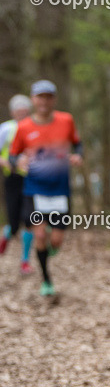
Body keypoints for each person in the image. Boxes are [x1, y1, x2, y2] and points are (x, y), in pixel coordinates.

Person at [10, 81, 83, 297]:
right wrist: (17, 163)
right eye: (40, 97)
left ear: (54, 99)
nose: (44, 101)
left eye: (48, 97)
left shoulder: (66, 120)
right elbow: (13, 155)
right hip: (34, 190)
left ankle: (48, 251)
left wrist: (78, 155)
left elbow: (77, 143)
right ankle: (47, 280)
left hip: (60, 190)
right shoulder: (23, 127)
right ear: (33, 99)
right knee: (40, 235)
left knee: (56, 240)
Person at [0, 94, 34, 271]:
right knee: (14, 223)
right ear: (13, 112)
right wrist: (4, 161)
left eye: (24, 110)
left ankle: (25, 260)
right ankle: (6, 236)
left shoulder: (34, 127)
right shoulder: (6, 128)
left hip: (32, 179)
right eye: (18, 110)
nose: (21, 113)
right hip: (12, 178)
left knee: (29, 219)